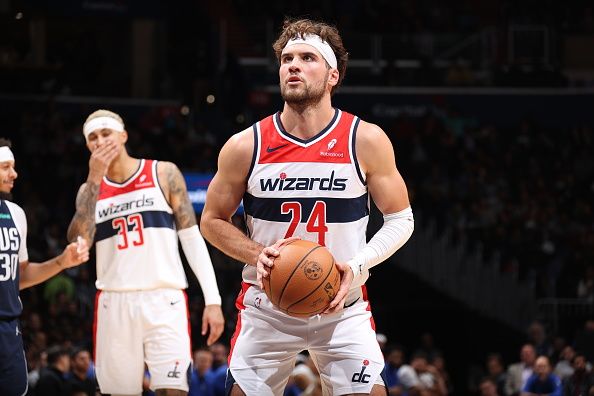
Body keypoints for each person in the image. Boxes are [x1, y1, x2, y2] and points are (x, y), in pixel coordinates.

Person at [201, 18, 414, 396]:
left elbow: (401, 220)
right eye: (287, 59)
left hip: (341, 305)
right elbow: (212, 220)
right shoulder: (245, 145)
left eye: (307, 58)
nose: (293, 65)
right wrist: (258, 253)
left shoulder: (364, 139)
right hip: (267, 307)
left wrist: (359, 265)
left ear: (333, 74)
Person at [67, 109, 225, 395]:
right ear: (87, 146)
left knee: (173, 389)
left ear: (123, 135)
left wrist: (212, 300)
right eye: (92, 137)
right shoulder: (89, 191)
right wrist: (93, 178)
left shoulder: (163, 173)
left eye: (106, 133)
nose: (100, 141)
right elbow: (78, 243)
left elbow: (191, 237)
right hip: (114, 301)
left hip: (164, 299)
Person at [0, 139, 89, 396]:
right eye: (6, 167)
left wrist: (62, 261)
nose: (14, 174)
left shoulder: (16, 214)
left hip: (8, 329)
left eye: (13, 166)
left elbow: (21, 276)